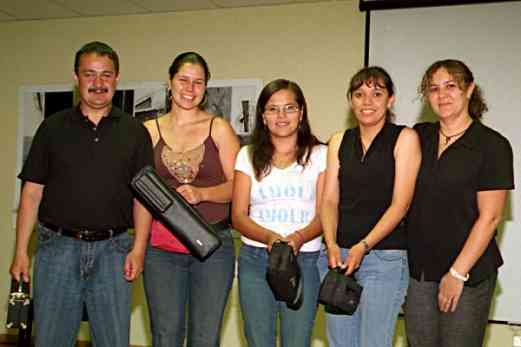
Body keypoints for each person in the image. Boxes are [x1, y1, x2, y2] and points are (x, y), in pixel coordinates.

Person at [9, 41, 153, 347]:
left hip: (115, 253)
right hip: (57, 250)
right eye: (90, 74)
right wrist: (21, 250)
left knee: (113, 341)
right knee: (50, 340)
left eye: (106, 75)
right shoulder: (51, 129)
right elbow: (32, 193)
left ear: (116, 78)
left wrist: (138, 249)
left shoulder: (135, 132)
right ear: (76, 78)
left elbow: (144, 197)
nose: (98, 83)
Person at [404, 59, 514, 347]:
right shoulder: (419, 136)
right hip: (420, 273)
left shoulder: (492, 146)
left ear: (470, 90)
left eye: (451, 86)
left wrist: (456, 273)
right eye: (434, 89)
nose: (442, 95)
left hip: (468, 274)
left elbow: (489, 218)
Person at [318, 66, 421, 347]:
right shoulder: (339, 140)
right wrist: (330, 243)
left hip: (384, 257)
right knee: (340, 343)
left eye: (377, 94)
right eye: (359, 94)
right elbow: (329, 200)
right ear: (350, 101)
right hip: (338, 259)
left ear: (391, 100)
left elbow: (401, 205)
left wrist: (364, 246)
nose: (367, 102)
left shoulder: (405, 138)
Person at [142, 52, 240, 347]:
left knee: (204, 337)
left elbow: (239, 186)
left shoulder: (219, 128)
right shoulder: (148, 131)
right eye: (183, 80)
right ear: (169, 83)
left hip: (213, 245)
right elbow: (139, 192)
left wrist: (203, 194)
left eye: (198, 82)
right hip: (161, 248)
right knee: (165, 334)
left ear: (206, 88)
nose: (190, 88)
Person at [232, 79, 326, 347]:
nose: (281, 116)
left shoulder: (322, 154)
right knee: (258, 340)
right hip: (255, 259)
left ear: (302, 113)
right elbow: (238, 216)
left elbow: (325, 214)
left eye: (289, 108)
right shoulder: (246, 155)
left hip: (304, 260)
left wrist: (298, 237)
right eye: (273, 109)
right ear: (262, 116)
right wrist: (270, 237)